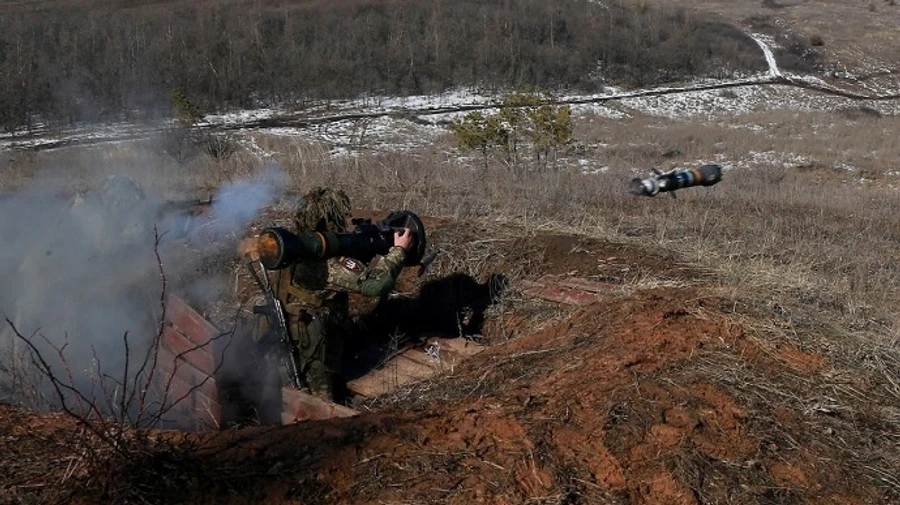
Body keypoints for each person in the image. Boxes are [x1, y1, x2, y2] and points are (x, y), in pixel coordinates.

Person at [248, 187, 413, 401]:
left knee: (277, 391)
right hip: (310, 349)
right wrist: (399, 251)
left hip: (280, 335)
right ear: (328, 220)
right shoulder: (323, 262)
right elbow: (375, 285)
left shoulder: (285, 246)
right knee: (318, 406)